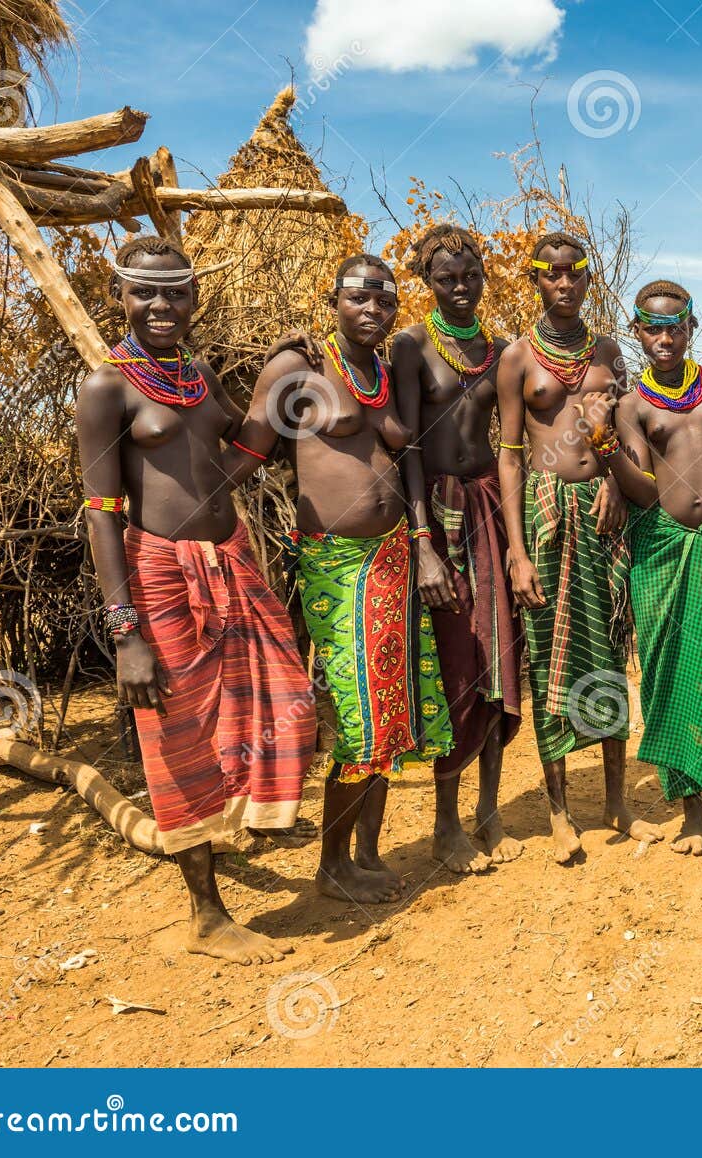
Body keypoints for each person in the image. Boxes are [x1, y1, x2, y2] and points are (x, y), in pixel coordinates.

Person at [77, 238, 315, 964]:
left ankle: (249, 813)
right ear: (120, 295)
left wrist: (278, 384)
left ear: (194, 299)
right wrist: (126, 634)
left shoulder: (198, 374)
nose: (161, 307)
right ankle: (207, 916)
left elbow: (235, 464)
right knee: (177, 734)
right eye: (145, 293)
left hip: (230, 563)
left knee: (288, 697)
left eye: (175, 292)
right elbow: (100, 510)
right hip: (160, 576)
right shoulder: (104, 388)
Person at [232, 254, 453, 905]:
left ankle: (363, 855)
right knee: (360, 717)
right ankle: (330, 865)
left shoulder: (381, 370)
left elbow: (403, 457)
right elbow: (245, 450)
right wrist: (187, 519)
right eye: (360, 297)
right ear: (334, 299)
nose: (374, 309)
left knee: (389, 713)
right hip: (335, 561)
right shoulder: (298, 367)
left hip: (392, 557)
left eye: (385, 301)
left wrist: (421, 541)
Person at [589, 281, 702, 855]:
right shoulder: (632, 406)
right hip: (661, 548)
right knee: (668, 677)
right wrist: (603, 442)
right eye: (652, 327)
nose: (664, 337)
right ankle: (691, 805)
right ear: (637, 332)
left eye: (675, 326)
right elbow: (643, 490)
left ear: (691, 327)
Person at [496, 232, 664, 862]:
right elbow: (510, 454)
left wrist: (617, 487)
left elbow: (620, 431)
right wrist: (515, 549)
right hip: (544, 516)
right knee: (548, 655)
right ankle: (560, 810)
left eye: (574, 273)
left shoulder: (609, 352)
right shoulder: (516, 358)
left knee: (609, 650)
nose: (563, 283)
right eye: (551, 274)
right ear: (535, 280)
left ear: (588, 280)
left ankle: (617, 803)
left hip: (600, 517)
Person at [390, 224, 522, 872]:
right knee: (456, 665)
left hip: (489, 507)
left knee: (500, 656)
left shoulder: (501, 353)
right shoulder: (411, 347)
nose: (460, 289)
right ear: (427, 282)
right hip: (436, 518)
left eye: (469, 277)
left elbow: (511, 443)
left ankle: (490, 814)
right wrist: (422, 544)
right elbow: (408, 446)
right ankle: (446, 825)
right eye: (446, 279)